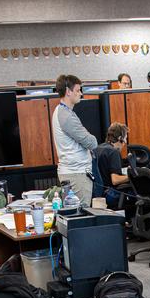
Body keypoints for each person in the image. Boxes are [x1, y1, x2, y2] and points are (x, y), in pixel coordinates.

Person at [51, 74, 97, 205]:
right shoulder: (66, 116)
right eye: (77, 90)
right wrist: (89, 136)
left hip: (73, 173)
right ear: (68, 91)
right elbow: (92, 142)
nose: (81, 93)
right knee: (82, 216)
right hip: (76, 175)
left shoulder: (61, 111)